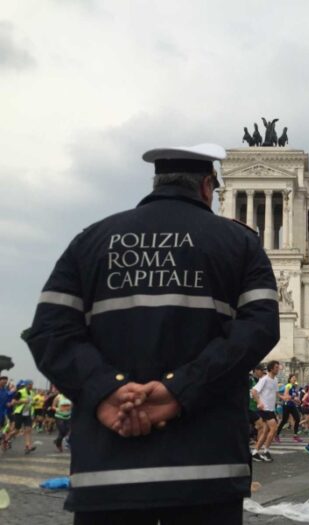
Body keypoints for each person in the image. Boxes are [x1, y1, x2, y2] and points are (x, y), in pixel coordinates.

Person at [24, 143, 279, 524]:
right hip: (206, 468)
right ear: (208, 187)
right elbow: (259, 328)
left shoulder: (90, 240)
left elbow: (48, 331)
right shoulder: (240, 243)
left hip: (107, 467)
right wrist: (179, 390)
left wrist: (106, 389)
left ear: (156, 181)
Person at [252, 361, 282, 462]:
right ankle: (265, 452)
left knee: (265, 432)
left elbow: (277, 394)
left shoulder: (275, 380)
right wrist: (259, 402)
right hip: (265, 409)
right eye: (276, 367)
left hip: (271, 409)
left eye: (278, 367)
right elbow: (254, 391)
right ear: (271, 368)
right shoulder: (264, 379)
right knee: (274, 428)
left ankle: (255, 452)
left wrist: (286, 398)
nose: (278, 369)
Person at [8, 379, 36, 454]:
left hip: (27, 414)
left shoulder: (32, 393)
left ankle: (28, 446)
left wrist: (33, 404)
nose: (31, 386)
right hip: (19, 413)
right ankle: (6, 439)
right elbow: (13, 402)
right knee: (17, 430)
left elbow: (31, 403)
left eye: (32, 384)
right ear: (26, 385)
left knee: (28, 430)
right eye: (30, 384)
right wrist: (22, 401)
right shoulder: (20, 392)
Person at [277, 374, 302, 443]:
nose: (294, 379)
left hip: (292, 405)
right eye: (293, 378)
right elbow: (286, 395)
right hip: (286, 405)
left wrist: (297, 401)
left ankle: (295, 436)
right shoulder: (288, 385)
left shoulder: (293, 387)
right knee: (284, 421)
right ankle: (276, 435)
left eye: (295, 378)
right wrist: (294, 398)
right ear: (290, 379)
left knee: (297, 419)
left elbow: (290, 397)